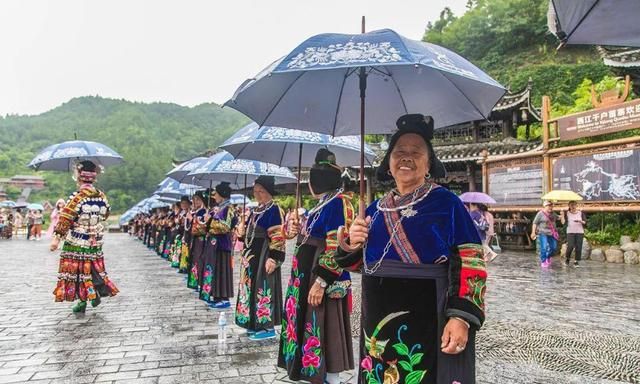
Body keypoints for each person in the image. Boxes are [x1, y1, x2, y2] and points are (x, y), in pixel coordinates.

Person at [335, 114, 487, 384]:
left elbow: (471, 261)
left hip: (429, 316)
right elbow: (361, 266)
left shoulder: (448, 204)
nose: (406, 157)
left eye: (416, 152)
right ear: (389, 163)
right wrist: (352, 244)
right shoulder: (374, 209)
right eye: (399, 152)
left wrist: (461, 317)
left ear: (429, 164)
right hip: (377, 320)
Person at [278, 148, 355, 384]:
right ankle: (310, 372)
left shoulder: (339, 204)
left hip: (322, 277)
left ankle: (330, 376)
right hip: (304, 276)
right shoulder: (318, 206)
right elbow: (303, 237)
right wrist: (292, 229)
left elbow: (338, 247)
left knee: (325, 322)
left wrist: (322, 280)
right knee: (309, 320)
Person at [50, 160, 119, 313]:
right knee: (93, 268)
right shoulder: (101, 196)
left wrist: (56, 239)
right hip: (95, 240)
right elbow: (106, 215)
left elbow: (65, 218)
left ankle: (83, 301)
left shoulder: (77, 197)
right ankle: (93, 294)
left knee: (78, 272)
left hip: (77, 239)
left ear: (79, 177)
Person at [235, 175, 286, 340]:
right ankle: (251, 322)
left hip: (264, 255)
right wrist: (242, 234)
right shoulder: (254, 211)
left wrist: (274, 258)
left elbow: (278, 237)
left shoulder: (274, 210)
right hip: (250, 257)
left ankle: (265, 326)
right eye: (255, 191)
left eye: (261, 191)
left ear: (269, 192)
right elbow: (248, 236)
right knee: (248, 288)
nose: (257, 194)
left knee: (263, 287)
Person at [200, 182, 237, 309]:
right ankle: (216, 295)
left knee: (222, 271)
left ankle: (224, 298)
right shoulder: (219, 208)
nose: (214, 196)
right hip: (214, 245)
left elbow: (225, 227)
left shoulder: (229, 208)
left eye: (216, 194)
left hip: (222, 245)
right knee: (215, 270)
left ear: (222, 195)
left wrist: (210, 221)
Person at [531, 201, 565, 268]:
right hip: (543, 233)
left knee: (554, 248)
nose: (550, 207)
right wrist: (533, 232)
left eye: (551, 206)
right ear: (545, 206)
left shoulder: (553, 214)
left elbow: (562, 221)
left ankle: (548, 257)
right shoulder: (540, 213)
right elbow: (535, 223)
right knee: (544, 247)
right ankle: (543, 261)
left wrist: (562, 215)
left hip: (552, 233)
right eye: (549, 206)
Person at [187, 191, 208, 290]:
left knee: (199, 259)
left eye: (198, 199)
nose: (195, 201)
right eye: (194, 199)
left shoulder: (204, 212)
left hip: (201, 240)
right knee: (194, 259)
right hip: (195, 239)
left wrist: (192, 219)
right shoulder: (196, 212)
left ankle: (199, 282)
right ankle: (194, 281)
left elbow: (203, 228)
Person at [564, 201, 586, 267]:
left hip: (580, 232)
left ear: (576, 206)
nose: (573, 206)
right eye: (571, 205)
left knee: (578, 247)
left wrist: (580, 221)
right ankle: (567, 258)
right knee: (570, 246)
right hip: (570, 232)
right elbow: (563, 222)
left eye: (574, 205)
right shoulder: (567, 213)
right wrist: (562, 215)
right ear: (569, 206)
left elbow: (585, 222)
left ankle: (576, 261)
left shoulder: (580, 213)